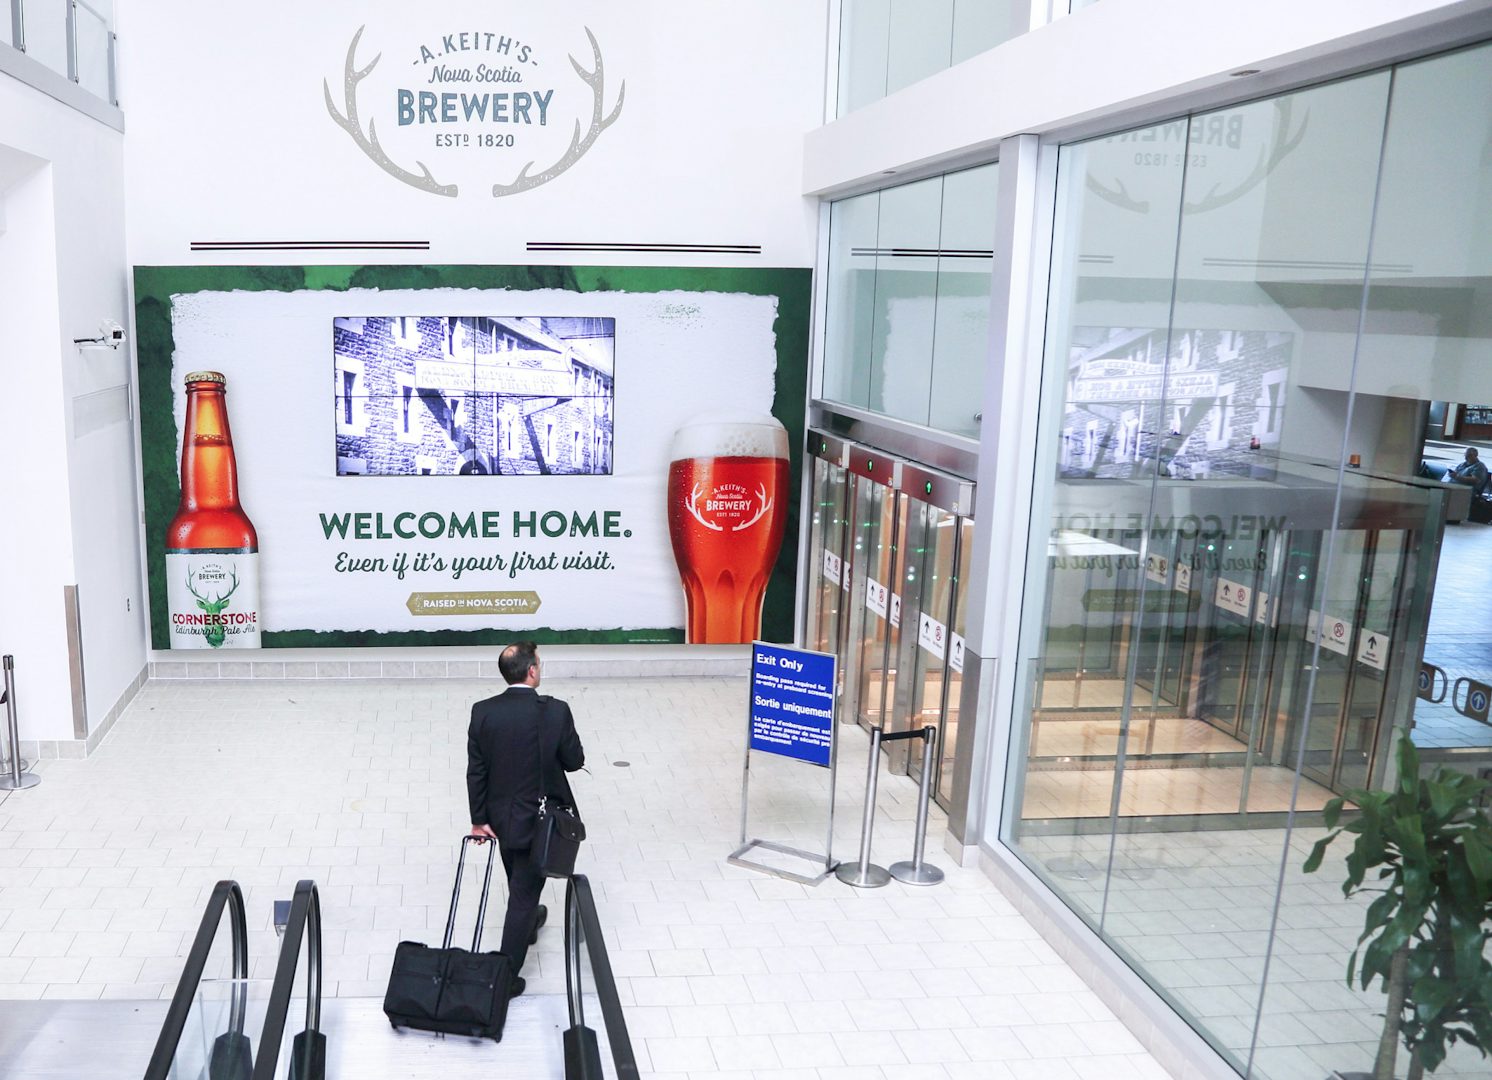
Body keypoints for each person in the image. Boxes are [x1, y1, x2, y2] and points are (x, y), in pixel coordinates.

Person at [466, 641, 584, 996]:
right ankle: (503, 977)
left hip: (501, 819)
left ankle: (529, 921)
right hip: (541, 821)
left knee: (520, 879)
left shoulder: (482, 711)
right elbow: (574, 760)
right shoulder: (556, 711)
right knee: (522, 893)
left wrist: (479, 819)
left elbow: (477, 771)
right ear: (532, 671)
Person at [1421, 446, 1490, 496]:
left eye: (1469, 456)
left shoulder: (1479, 466)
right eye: (1465, 455)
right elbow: (1456, 473)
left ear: (1476, 455)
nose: (1466, 458)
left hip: (1463, 491)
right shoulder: (1463, 464)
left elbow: (1475, 480)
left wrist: (1457, 477)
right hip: (1451, 486)